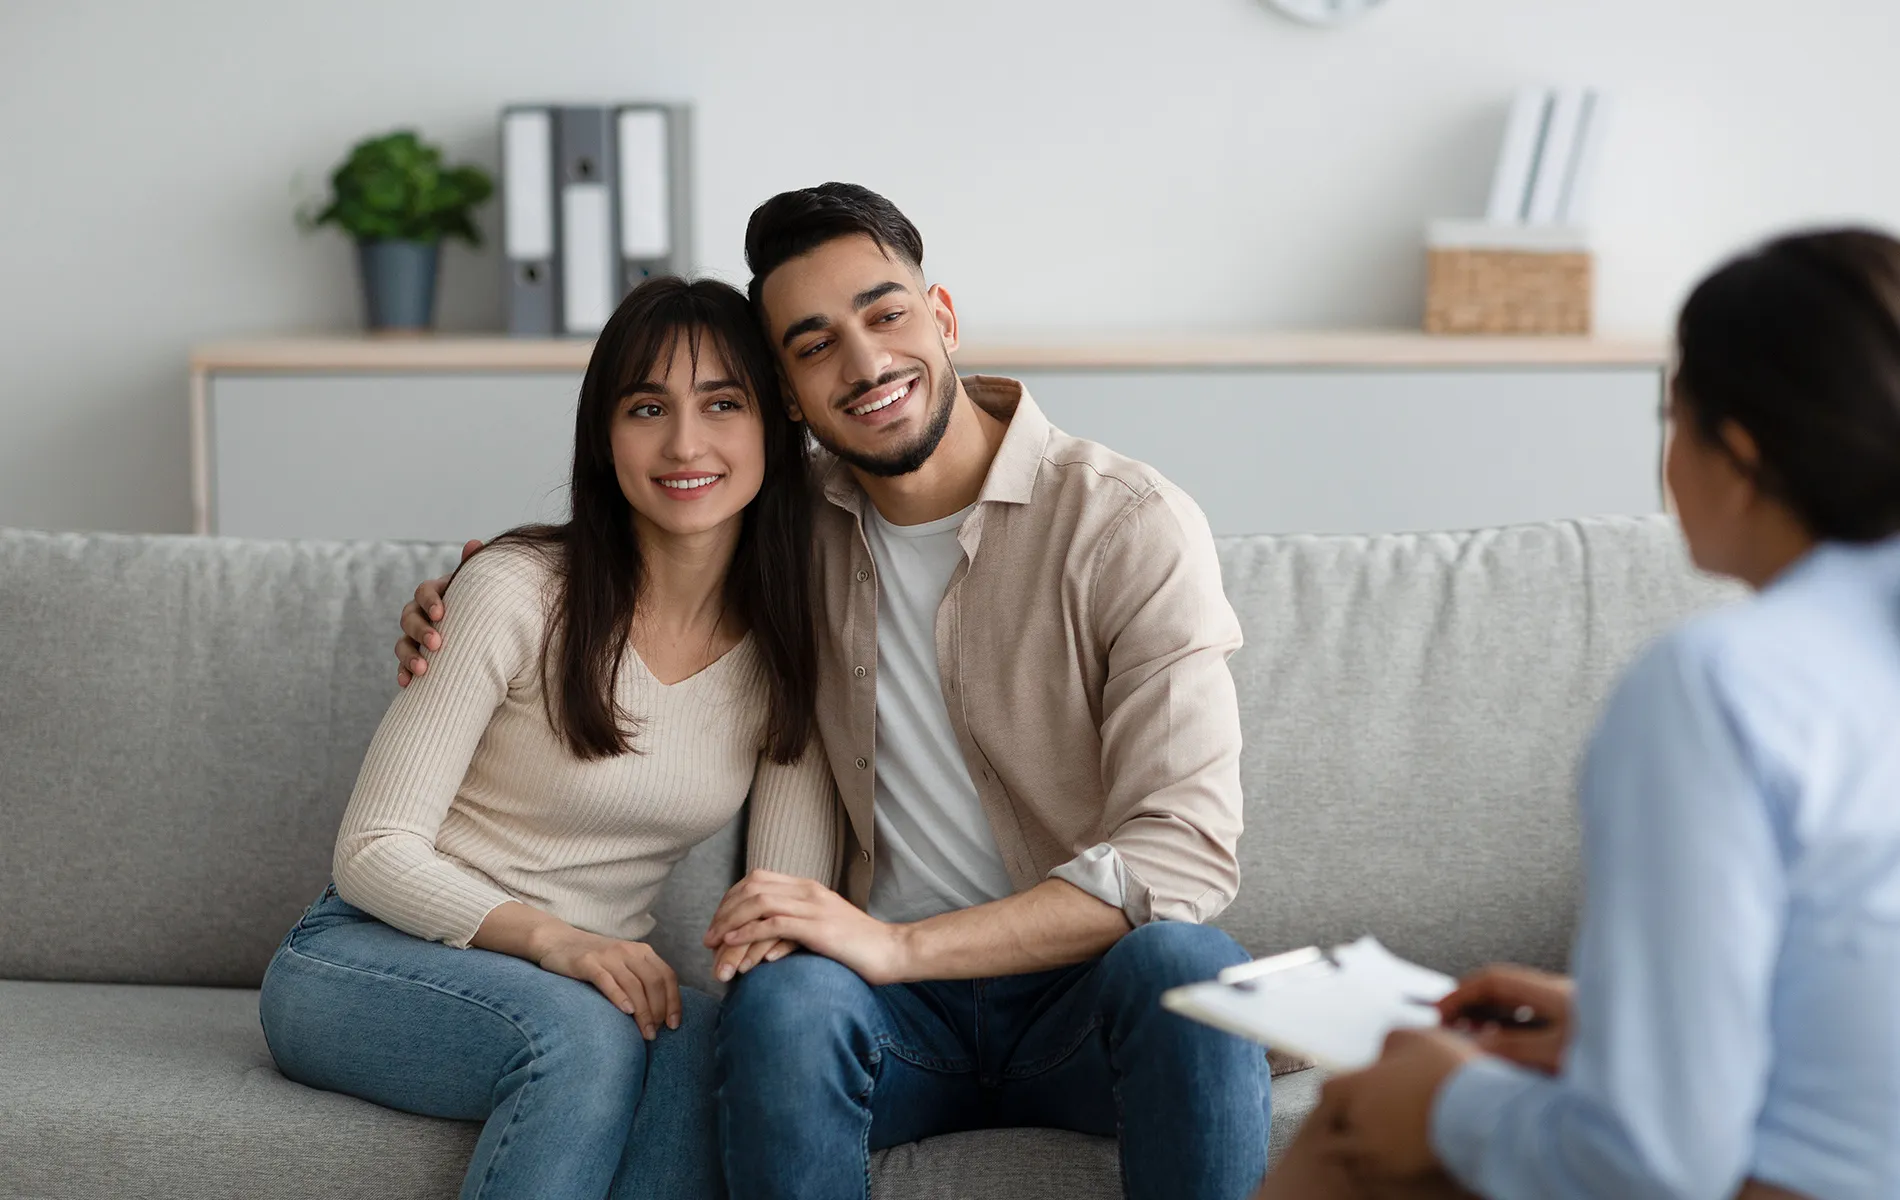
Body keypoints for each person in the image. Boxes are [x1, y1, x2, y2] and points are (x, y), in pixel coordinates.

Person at [395, 183, 1274, 1199]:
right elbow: (628, 554)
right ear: (786, 392)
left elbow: (1185, 854)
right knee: (784, 1003)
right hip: (889, 1027)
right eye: (813, 346)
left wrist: (898, 945)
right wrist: (464, 593)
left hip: (1081, 1005)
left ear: (940, 318)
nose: (863, 364)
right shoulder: (780, 527)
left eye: (885, 313)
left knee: (1189, 969)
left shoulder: (1123, 525)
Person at [1258, 228, 1900, 1200]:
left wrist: (1440, 1104)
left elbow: (1653, 1162)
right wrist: (1616, 1020)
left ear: (1736, 449)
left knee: (1351, 1121)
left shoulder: (1720, 683)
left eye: (1668, 416)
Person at [259, 277, 842, 1200]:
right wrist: (556, 944)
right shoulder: (516, 589)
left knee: (709, 1051)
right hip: (366, 958)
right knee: (582, 1034)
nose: (685, 443)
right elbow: (372, 851)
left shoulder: (791, 648)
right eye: (647, 406)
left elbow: (779, 906)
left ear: (774, 423)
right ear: (604, 436)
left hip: (588, 988)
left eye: (722, 404)